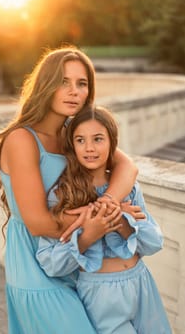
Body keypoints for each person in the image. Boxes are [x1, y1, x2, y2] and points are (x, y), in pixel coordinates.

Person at [0, 46, 138, 334]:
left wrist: (107, 202)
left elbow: (127, 166)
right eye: (63, 82)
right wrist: (110, 218)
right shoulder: (22, 139)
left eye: (81, 83)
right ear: (45, 85)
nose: (74, 91)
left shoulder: (75, 134)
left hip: (79, 261)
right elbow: (37, 223)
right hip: (35, 268)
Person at [36, 106, 172, 334]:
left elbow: (153, 243)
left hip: (141, 283)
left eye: (98, 139)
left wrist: (122, 221)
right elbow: (50, 263)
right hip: (101, 296)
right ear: (72, 145)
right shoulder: (62, 194)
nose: (89, 148)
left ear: (112, 143)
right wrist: (89, 235)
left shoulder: (127, 188)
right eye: (80, 140)